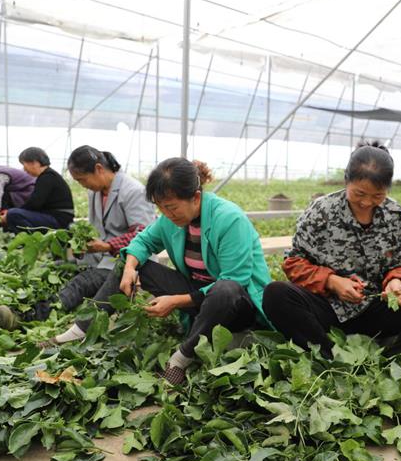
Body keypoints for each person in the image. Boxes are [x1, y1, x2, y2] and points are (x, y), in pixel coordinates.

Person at [46, 157, 272, 385]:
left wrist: (175, 301)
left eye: (172, 207)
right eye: (161, 208)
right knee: (131, 262)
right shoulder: (170, 220)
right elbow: (141, 242)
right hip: (200, 297)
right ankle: (80, 330)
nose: (167, 214)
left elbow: (236, 279)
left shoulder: (229, 219)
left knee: (226, 289)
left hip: (237, 305)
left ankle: (180, 359)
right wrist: (129, 268)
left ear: (195, 197)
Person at [263, 141, 401, 358]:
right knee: (276, 294)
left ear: (387, 189)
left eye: (377, 196)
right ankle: (326, 357)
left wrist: (396, 281)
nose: (366, 202)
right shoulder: (322, 211)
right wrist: (332, 282)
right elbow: (294, 262)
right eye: (359, 194)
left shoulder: (394, 215)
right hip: (329, 310)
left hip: (377, 307)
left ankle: (398, 359)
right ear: (347, 181)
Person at [0, 146, 155, 329]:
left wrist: (108, 246)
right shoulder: (96, 192)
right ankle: (22, 303)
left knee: (82, 283)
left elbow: (143, 235)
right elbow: (97, 228)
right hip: (99, 258)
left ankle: (27, 316)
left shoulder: (133, 191)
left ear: (99, 169)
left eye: (82, 180)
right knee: (57, 269)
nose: (82, 185)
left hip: (127, 263)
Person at [0, 147, 75, 232]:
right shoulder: (48, 176)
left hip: (59, 220)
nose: (24, 170)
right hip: (57, 217)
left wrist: (9, 214)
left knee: (13, 214)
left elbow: (34, 204)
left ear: (34, 163)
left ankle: (31, 240)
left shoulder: (48, 177)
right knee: (14, 213)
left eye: (24, 165)